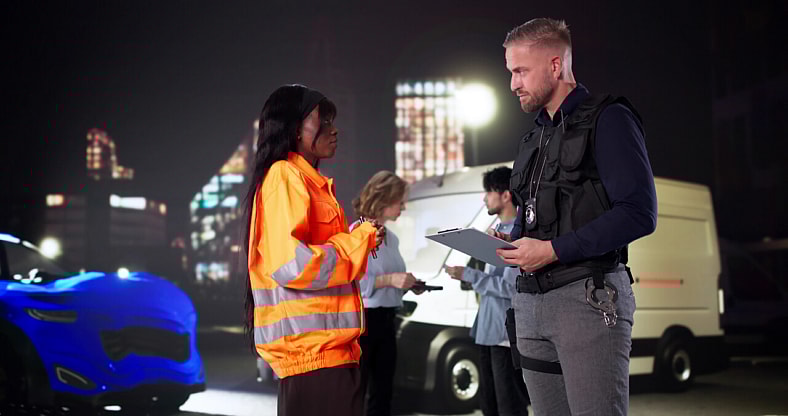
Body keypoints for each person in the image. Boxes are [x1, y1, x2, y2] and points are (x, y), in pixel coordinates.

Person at [495, 18, 658, 415]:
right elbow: (534, 216)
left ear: (555, 65)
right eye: (510, 72)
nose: (513, 83)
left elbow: (639, 213)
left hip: (588, 299)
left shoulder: (609, 118)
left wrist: (552, 250)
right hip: (531, 304)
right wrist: (512, 240)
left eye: (521, 71)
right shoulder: (533, 138)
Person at [243, 84, 385, 416]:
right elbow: (292, 264)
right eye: (321, 122)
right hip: (314, 359)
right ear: (294, 128)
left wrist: (356, 238)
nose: (333, 130)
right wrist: (358, 241)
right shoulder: (285, 176)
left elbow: (315, 254)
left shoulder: (306, 182)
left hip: (327, 356)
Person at [444, 166, 530, 416]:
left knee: (508, 406)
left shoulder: (519, 232)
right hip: (487, 332)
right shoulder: (496, 228)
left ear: (506, 195)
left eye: (489, 192)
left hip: (503, 335)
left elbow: (510, 287)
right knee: (490, 405)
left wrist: (469, 275)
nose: (485, 198)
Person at [351, 170, 425, 416]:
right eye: (400, 201)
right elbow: (351, 283)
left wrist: (407, 285)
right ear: (383, 198)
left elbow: (387, 280)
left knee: (383, 392)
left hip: (386, 320)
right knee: (357, 392)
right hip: (363, 322)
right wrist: (390, 280)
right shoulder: (356, 232)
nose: (403, 206)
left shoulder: (391, 238)